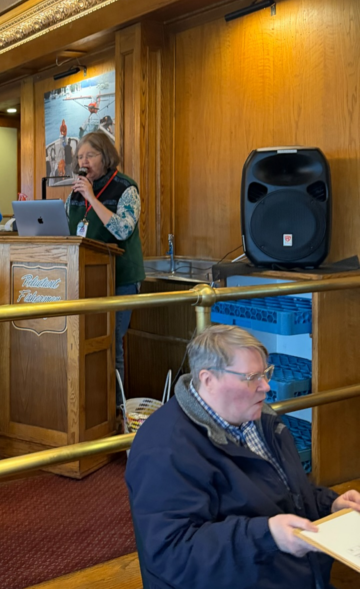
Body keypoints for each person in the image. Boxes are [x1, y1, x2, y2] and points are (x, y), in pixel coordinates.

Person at [126, 324, 360, 589]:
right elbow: (174, 554)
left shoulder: (258, 418)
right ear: (208, 379)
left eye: (266, 374)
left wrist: (329, 505)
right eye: (252, 377)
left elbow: (284, 494)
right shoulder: (164, 448)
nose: (266, 386)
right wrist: (267, 536)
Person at [66, 130, 144, 383]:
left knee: (112, 343)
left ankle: (117, 410)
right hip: (86, 278)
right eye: (80, 157)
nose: (83, 162)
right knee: (88, 343)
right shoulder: (75, 193)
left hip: (120, 278)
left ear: (106, 156)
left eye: (90, 155)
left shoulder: (126, 188)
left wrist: (91, 196)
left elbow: (123, 229)